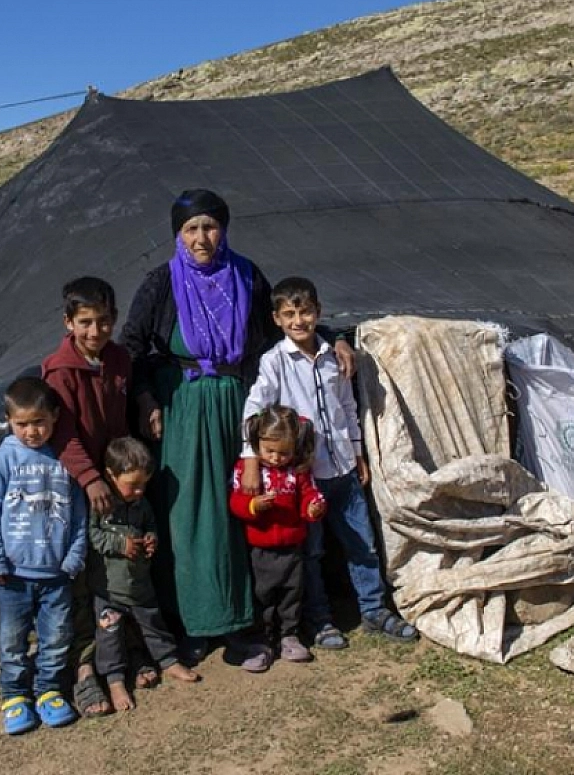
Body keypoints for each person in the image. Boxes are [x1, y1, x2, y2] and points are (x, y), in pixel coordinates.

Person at [120, 189, 354, 649]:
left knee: (246, 506)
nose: (201, 237)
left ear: (223, 230)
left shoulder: (245, 275)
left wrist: (335, 338)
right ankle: (196, 620)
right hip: (186, 409)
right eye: (191, 229)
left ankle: (253, 620)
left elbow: (281, 326)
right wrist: (147, 398)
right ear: (178, 234)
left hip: (240, 406)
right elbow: (132, 345)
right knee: (192, 513)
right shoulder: (161, 283)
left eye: (209, 226)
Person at [241, 277, 419, 649]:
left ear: (318, 312)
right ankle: (319, 621)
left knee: (362, 543)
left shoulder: (334, 357)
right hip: (308, 477)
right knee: (313, 551)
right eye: (289, 314)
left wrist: (357, 452)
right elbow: (255, 410)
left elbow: (348, 408)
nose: (298, 321)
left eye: (304, 311)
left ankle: (373, 608)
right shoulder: (275, 363)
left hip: (343, 468)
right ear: (276, 319)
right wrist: (252, 458)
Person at [41, 275, 157, 716]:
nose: (96, 331)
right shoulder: (59, 371)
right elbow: (63, 434)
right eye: (86, 322)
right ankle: (85, 669)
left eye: (104, 321)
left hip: (116, 481)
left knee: (120, 566)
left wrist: (147, 404)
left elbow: (123, 413)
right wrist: (90, 479)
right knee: (82, 578)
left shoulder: (119, 360)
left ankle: (127, 651)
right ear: (68, 322)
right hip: (80, 485)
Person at [0, 377, 87, 735]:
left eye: (39, 422)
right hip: (13, 575)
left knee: (56, 637)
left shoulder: (65, 460)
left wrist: (74, 557)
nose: (32, 432)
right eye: (22, 424)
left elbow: (80, 515)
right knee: (12, 639)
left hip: (56, 572)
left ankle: (50, 691)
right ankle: (14, 696)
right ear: (9, 420)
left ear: (54, 417)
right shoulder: (0, 462)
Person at [88, 436, 202, 710]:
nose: (139, 491)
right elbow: (91, 536)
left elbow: (151, 525)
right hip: (109, 588)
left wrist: (151, 539)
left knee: (154, 624)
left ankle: (169, 662)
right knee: (109, 636)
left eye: (144, 485)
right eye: (133, 485)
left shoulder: (142, 504)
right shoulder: (100, 506)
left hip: (139, 583)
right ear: (111, 475)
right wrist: (119, 544)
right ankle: (115, 681)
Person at [228, 407, 325, 671]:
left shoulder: (298, 472)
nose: (276, 458)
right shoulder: (247, 471)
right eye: (269, 451)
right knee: (262, 595)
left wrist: (313, 508)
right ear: (257, 444)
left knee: (291, 592)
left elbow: (309, 496)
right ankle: (261, 641)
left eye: (284, 452)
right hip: (260, 548)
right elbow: (236, 502)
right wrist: (253, 506)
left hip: (292, 546)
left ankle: (289, 635)